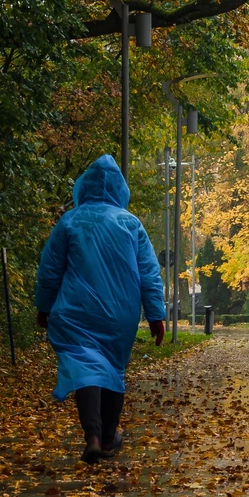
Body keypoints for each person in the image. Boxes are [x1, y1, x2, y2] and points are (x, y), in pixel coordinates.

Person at [34, 155, 166, 464]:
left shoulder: (71, 220)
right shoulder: (131, 224)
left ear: (84, 186)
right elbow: (149, 273)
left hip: (76, 311)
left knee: (85, 368)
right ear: (121, 190)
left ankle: (92, 435)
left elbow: (50, 270)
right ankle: (108, 438)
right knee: (112, 371)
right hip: (120, 315)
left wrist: (44, 306)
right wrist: (156, 315)